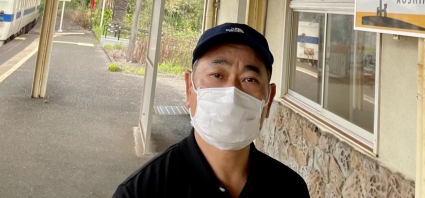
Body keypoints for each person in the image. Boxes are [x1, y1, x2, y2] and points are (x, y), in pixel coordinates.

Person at [112, 23, 310, 198]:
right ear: (190, 88)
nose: (231, 92)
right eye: (216, 75)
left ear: (269, 99)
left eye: (249, 79)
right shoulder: (141, 192)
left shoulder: (290, 189)